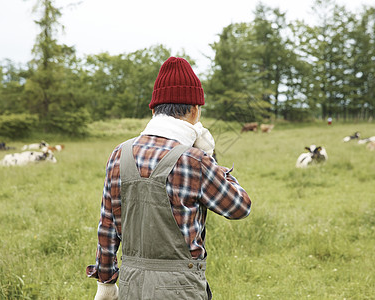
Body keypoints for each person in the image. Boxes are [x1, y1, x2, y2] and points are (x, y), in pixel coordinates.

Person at [86, 57, 252, 300]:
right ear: (195, 110)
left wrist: (106, 282)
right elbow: (240, 207)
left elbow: (107, 225)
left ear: (153, 110)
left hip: (132, 284)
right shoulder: (196, 160)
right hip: (181, 288)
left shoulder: (119, 154)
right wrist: (210, 156)